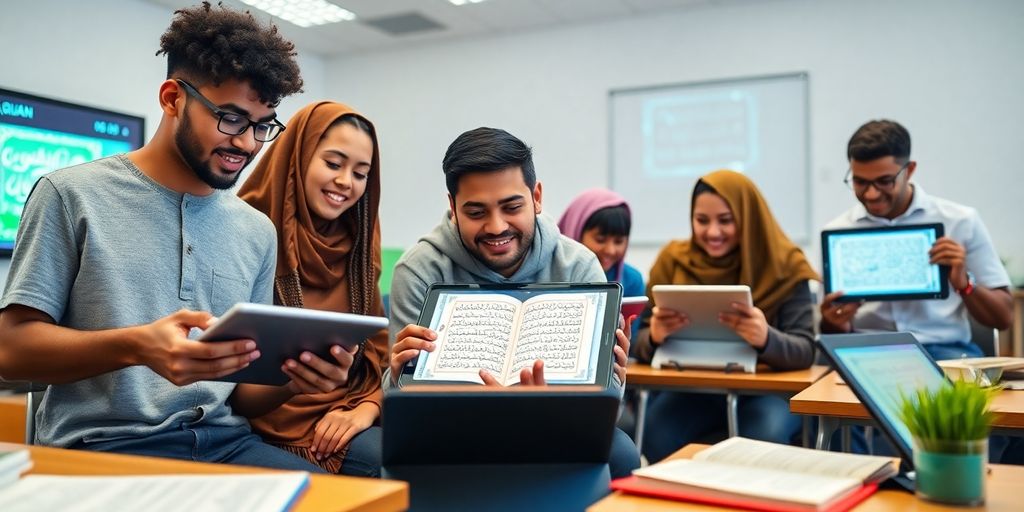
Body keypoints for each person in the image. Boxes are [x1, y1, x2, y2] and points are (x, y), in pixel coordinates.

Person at [0, 3, 352, 472]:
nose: (247, 143)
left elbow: (242, 397)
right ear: (172, 99)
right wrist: (136, 346)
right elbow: (11, 352)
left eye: (262, 125)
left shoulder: (256, 230)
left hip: (226, 446)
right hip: (104, 448)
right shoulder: (70, 195)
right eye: (230, 118)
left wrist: (297, 379)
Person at [383, 127, 641, 479]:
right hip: (453, 430)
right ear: (452, 207)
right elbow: (401, 405)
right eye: (475, 212)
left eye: (511, 207)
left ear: (536, 197)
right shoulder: (419, 269)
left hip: (558, 425)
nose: (496, 226)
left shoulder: (579, 265)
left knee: (623, 453)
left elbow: (606, 399)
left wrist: (608, 380)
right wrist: (398, 376)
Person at [238, 102, 386, 476]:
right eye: (333, 164)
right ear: (297, 158)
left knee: (411, 453)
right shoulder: (247, 228)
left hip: (345, 407)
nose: (345, 182)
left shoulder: (359, 240)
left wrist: (364, 409)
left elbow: (376, 356)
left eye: (360, 173)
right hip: (262, 418)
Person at [634, 170, 819, 463]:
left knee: (764, 434)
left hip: (765, 394)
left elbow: (806, 351)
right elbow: (637, 342)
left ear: (748, 217)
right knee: (658, 431)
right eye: (702, 220)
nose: (712, 232)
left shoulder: (784, 265)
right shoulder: (673, 260)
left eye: (726, 220)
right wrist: (654, 336)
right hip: (695, 390)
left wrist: (766, 338)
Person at [819, 120, 1013, 361]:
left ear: (909, 170)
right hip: (864, 356)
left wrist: (965, 284)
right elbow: (831, 331)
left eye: (884, 181)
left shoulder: (960, 222)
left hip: (946, 354)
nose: (871, 193)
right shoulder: (838, 233)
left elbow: (1003, 318)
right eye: (860, 182)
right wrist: (833, 322)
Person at [557, 189, 645, 299]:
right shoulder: (550, 276)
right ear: (575, 231)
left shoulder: (631, 281)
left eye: (619, 241)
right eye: (600, 240)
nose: (610, 250)